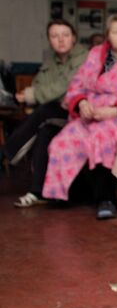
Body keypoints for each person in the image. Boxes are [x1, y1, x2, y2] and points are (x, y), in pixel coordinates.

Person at [42, 13, 117, 219]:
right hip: (93, 115)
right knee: (65, 138)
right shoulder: (96, 53)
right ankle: (64, 193)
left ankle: (106, 198)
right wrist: (82, 103)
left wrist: (115, 110)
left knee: (101, 135)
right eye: (116, 32)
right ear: (108, 35)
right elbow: (76, 86)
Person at [3, 19, 87, 207]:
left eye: (65, 35)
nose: (61, 40)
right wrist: (49, 95)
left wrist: (35, 95)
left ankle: (6, 154)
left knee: (45, 111)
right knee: (45, 132)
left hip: (80, 114)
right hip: (57, 114)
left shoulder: (83, 57)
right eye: (55, 36)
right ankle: (37, 192)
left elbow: (64, 86)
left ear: (73, 38)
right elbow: (40, 85)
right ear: (49, 40)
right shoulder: (51, 62)